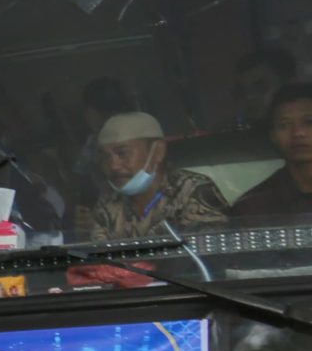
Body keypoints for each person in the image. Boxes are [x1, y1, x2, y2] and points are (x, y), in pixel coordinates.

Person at [75, 111, 230, 242]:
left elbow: (202, 258)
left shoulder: (192, 190)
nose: (113, 166)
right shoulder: (109, 202)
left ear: (158, 151)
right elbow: (103, 263)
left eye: (122, 153)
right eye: (106, 157)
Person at [232, 81, 312, 220]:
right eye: (284, 125)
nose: (298, 133)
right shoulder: (252, 208)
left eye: (309, 122)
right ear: (273, 136)